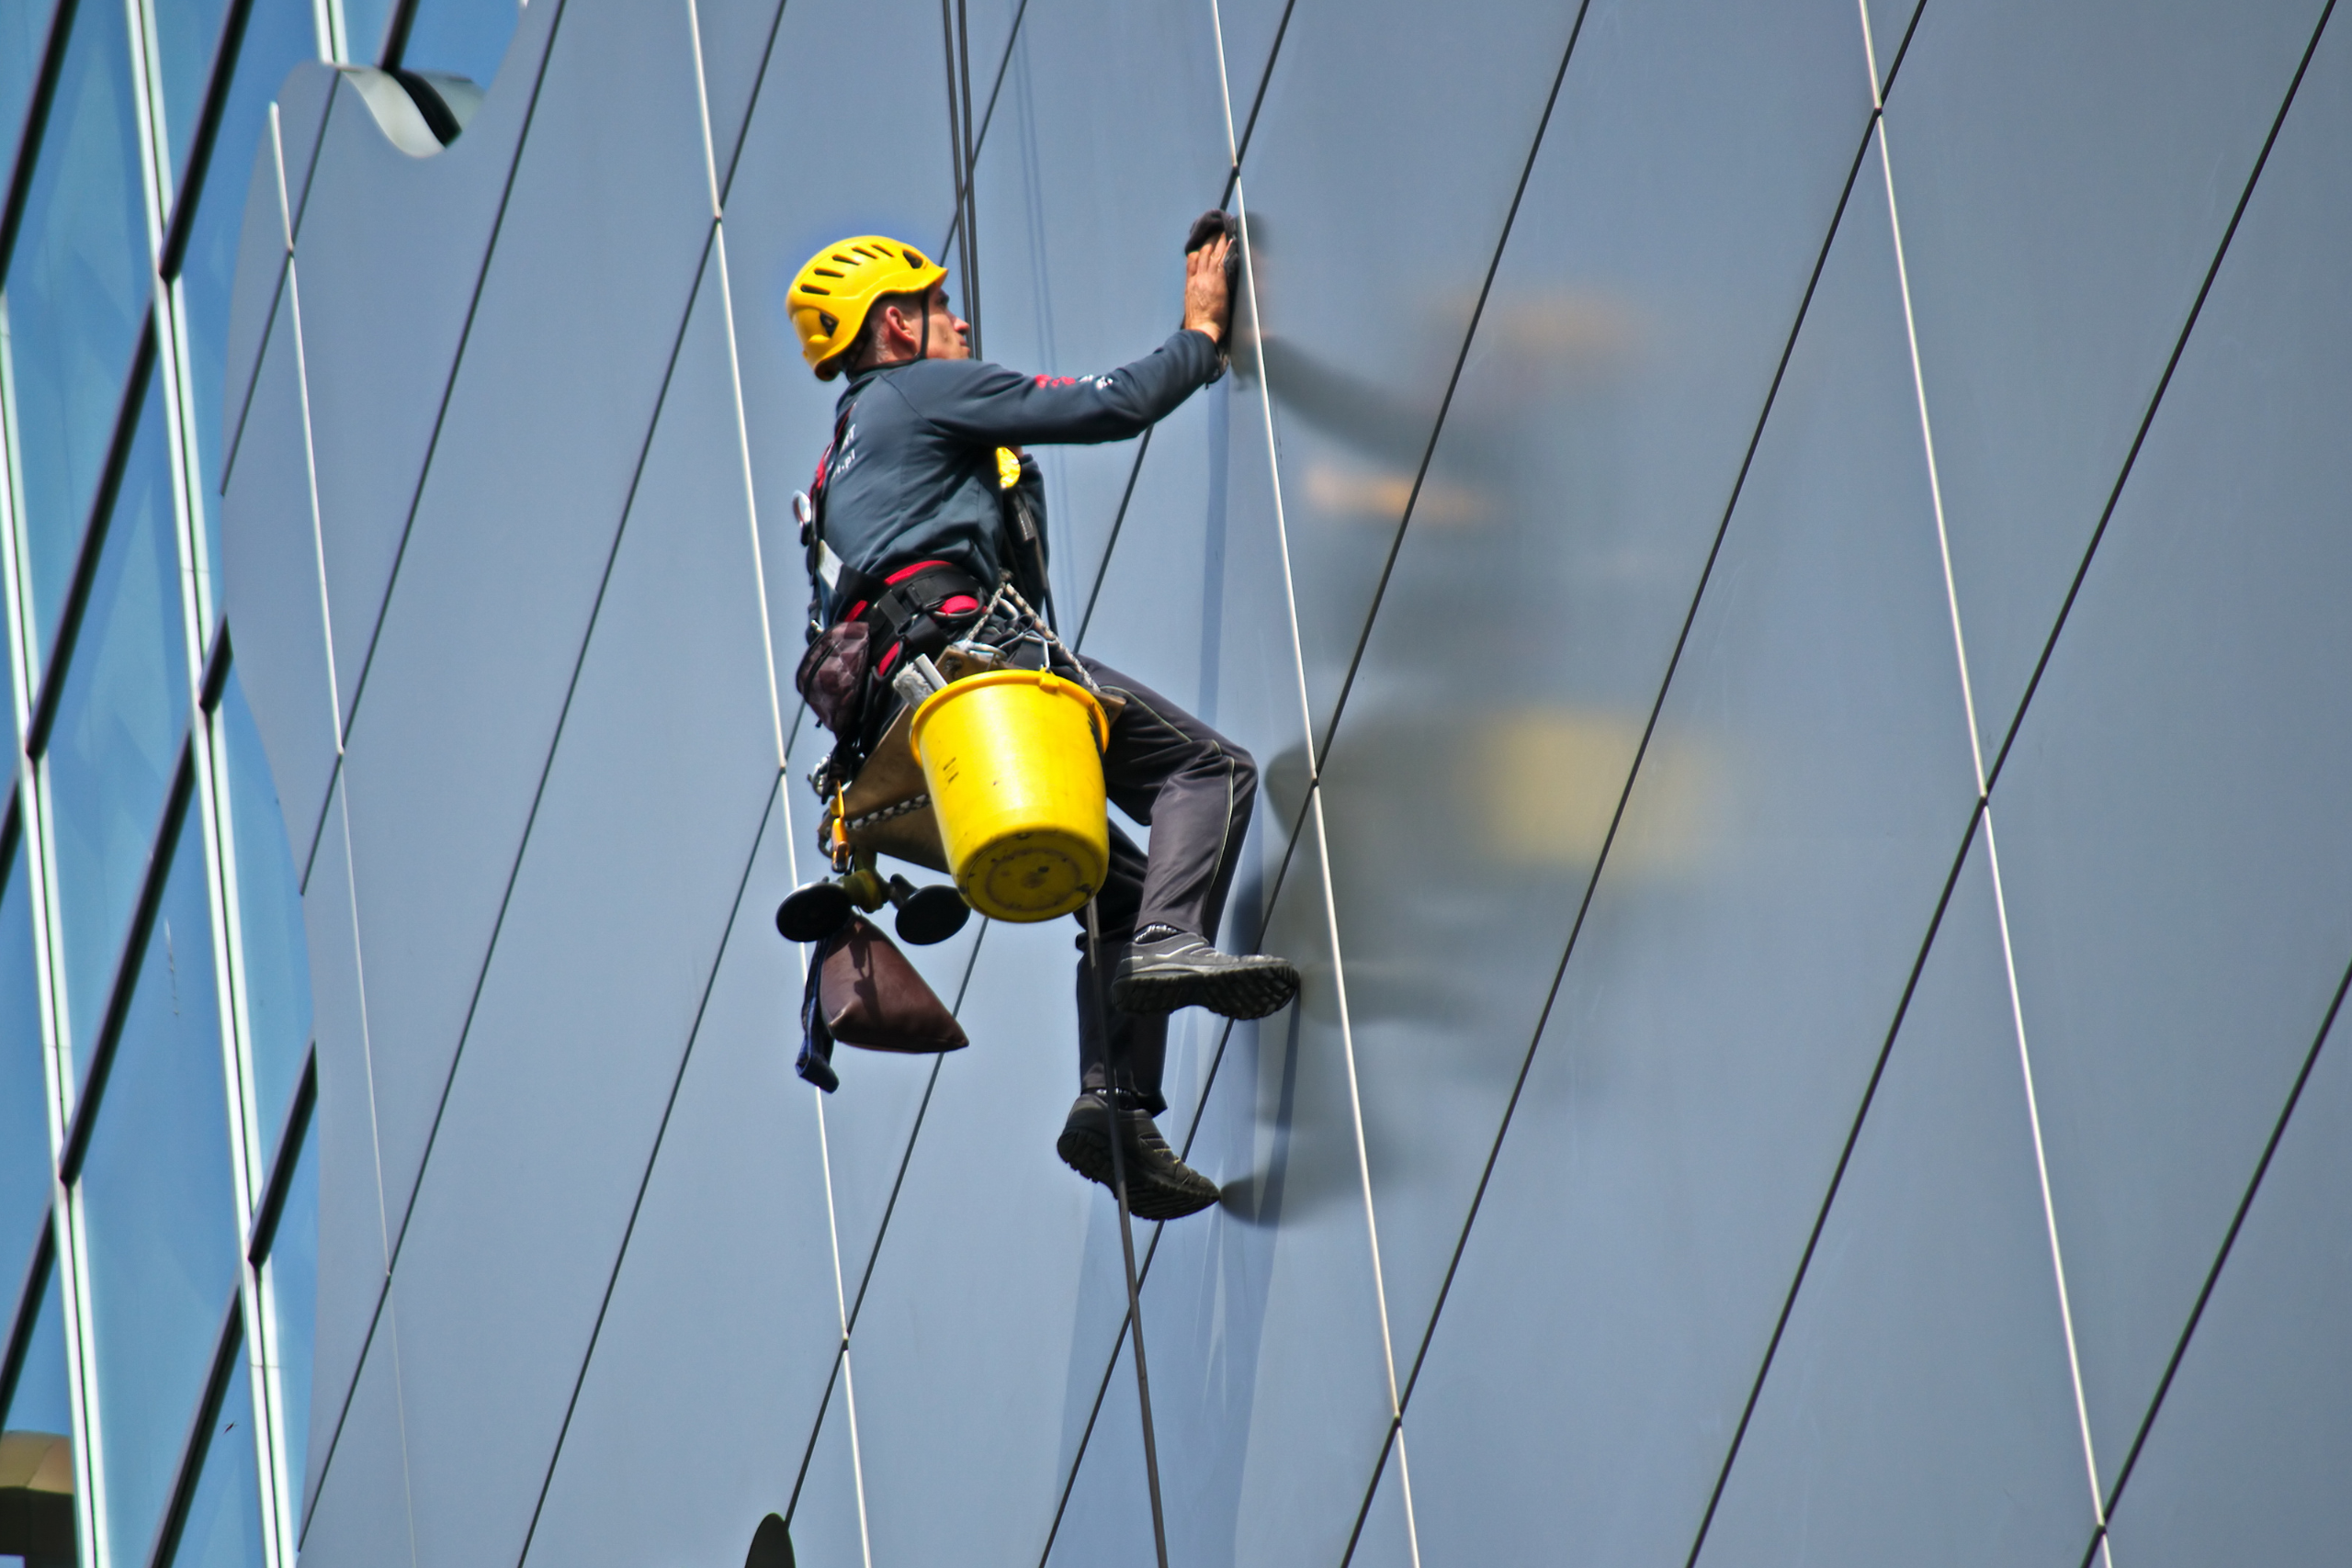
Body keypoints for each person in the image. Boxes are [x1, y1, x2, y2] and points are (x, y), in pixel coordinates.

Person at [786, 226, 1298, 1221]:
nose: (960, 323)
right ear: (897, 326)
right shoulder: (917, 393)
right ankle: (1171, 943)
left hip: (904, 738)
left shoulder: (837, 465)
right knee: (1209, 771)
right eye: (940, 307)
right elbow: (1109, 404)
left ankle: (1115, 1109)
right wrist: (1201, 337)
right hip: (974, 671)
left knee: (1122, 886)